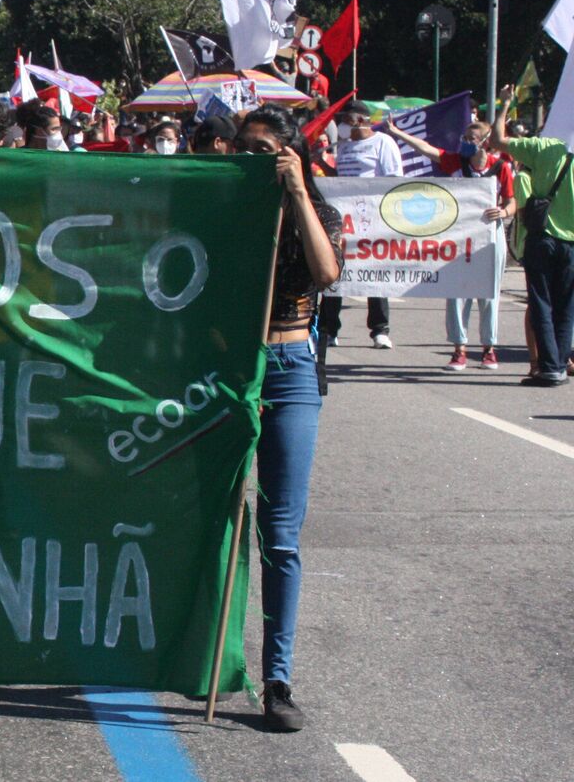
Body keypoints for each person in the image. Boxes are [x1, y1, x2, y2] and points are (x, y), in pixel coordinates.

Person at [234, 104, 342, 733]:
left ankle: (277, 680)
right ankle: (192, 657)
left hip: (289, 364)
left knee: (279, 534)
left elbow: (326, 273)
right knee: (206, 521)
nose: (253, 159)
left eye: (266, 150)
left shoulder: (314, 208)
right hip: (224, 369)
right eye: (243, 148)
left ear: (292, 154)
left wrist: (296, 191)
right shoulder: (217, 204)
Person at [384, 118, 516, 370]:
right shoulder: (457, 161)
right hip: (460, 235)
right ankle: (460, 348)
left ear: (485, 143)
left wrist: (504, 212)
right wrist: (397, 132)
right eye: (464, 137)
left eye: (471, 139)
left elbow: (511, 201)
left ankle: (489, 348)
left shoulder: (502, 168)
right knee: (456, 290)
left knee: (489, 291)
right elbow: (427, 149)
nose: (465, 142)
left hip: (490, 234)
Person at [488, 110, 574, 386]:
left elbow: (497, 140)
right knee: (566, 306)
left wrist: (504, 105)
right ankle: (559, 365)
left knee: (541, 303)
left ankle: (548, 367)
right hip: (572, 243)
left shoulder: (543, 147)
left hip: (542, 237)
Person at [324, 101, 402, 349]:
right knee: (335, 272)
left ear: (359, 121)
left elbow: (392, 180)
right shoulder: (344, 147)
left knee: (373, 273)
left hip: (371, 219)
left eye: (345, 120)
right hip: (344, 220)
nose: (342, 125)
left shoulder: (383, 143)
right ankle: (329, 328)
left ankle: (379, 330)